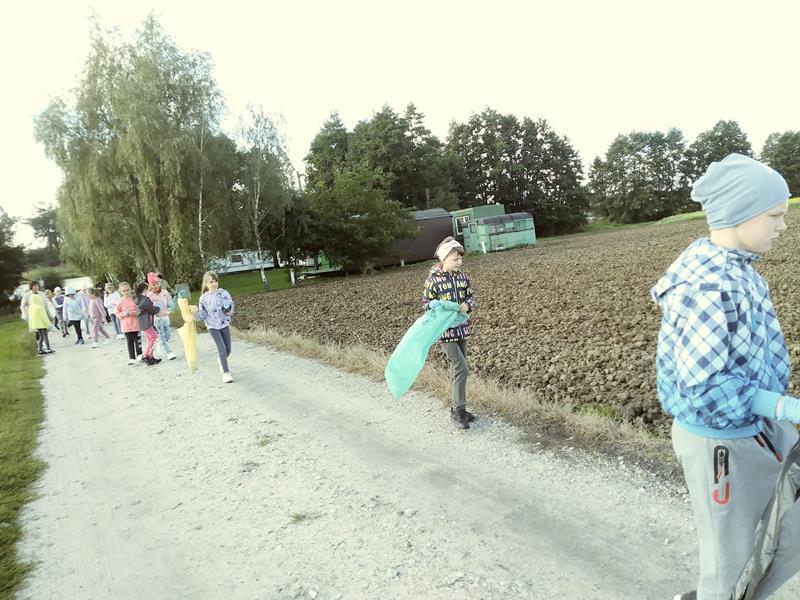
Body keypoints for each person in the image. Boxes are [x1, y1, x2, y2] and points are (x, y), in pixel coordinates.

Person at [651, 154, 800, 600]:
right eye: (775, 215)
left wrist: (777, 410)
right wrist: (783, 406)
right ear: (740, 212)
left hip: (756, 424)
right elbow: (706, 388)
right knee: (728, 561)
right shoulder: (709, 286)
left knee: (784, 522)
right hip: (720, 440)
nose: (783, 226)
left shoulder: (736, 268)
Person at [422, 236, 476, 429]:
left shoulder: (463, 278)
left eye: (461, 258)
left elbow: (471, 297)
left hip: (462, 329)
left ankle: (458, 409)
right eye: (455, 258)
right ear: (444, 259)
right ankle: (459, 411)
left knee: (457, 369)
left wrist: (467, 304)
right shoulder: (433, 281)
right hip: (444, 332)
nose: (460, 261)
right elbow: (426, 304)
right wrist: (433, 305)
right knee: (461, 367)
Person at [194, 271, 235, 383]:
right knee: (222, 348)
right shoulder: (203, 298)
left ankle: (221, 360)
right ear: (206, 284)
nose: (214, 284)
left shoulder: (224, 293)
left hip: (224, 324)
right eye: (211, 282)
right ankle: (226, 373)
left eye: (215, 281)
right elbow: (202, 313)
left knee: (228, 350)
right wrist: (194, 315)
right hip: (212, 326)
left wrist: (228, 310)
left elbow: (230, 306)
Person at [146, 272, 176, 360]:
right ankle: (169, 352)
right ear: (150, 285)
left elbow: (169, 302)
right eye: (153, 285)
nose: (155, 286)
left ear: (159, 283)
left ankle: (160, 343)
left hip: (165, 316)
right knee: (162, 334)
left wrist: (172, 304)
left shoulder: (165, 292)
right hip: (157, 318)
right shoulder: (149, 295)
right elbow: (148, 307)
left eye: (157, 284)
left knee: (168, 334)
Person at [115, 282, 142, 365]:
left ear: (131, 290)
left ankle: (140, 355)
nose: (126, 292)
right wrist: (124, 314)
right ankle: (132, 358)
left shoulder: (135, 299)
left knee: (138, 340)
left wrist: (132, 313)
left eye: (128, 290)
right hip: (126, 326)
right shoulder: (120, 301)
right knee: (129, 341)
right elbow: (117, 313)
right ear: (120, 292)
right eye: (124, 290)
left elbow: (140, 310)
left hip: (136, 324)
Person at [134, 282, 161, 366]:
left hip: (143, 322)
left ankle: (150, 357)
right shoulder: (145, 300)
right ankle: (145, 356)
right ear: (144, 289)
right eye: (148, 288)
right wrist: (158, 308)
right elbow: (152, 309)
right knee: (154, 338)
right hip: (147, 322)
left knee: (150, 339)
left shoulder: (138, 299)